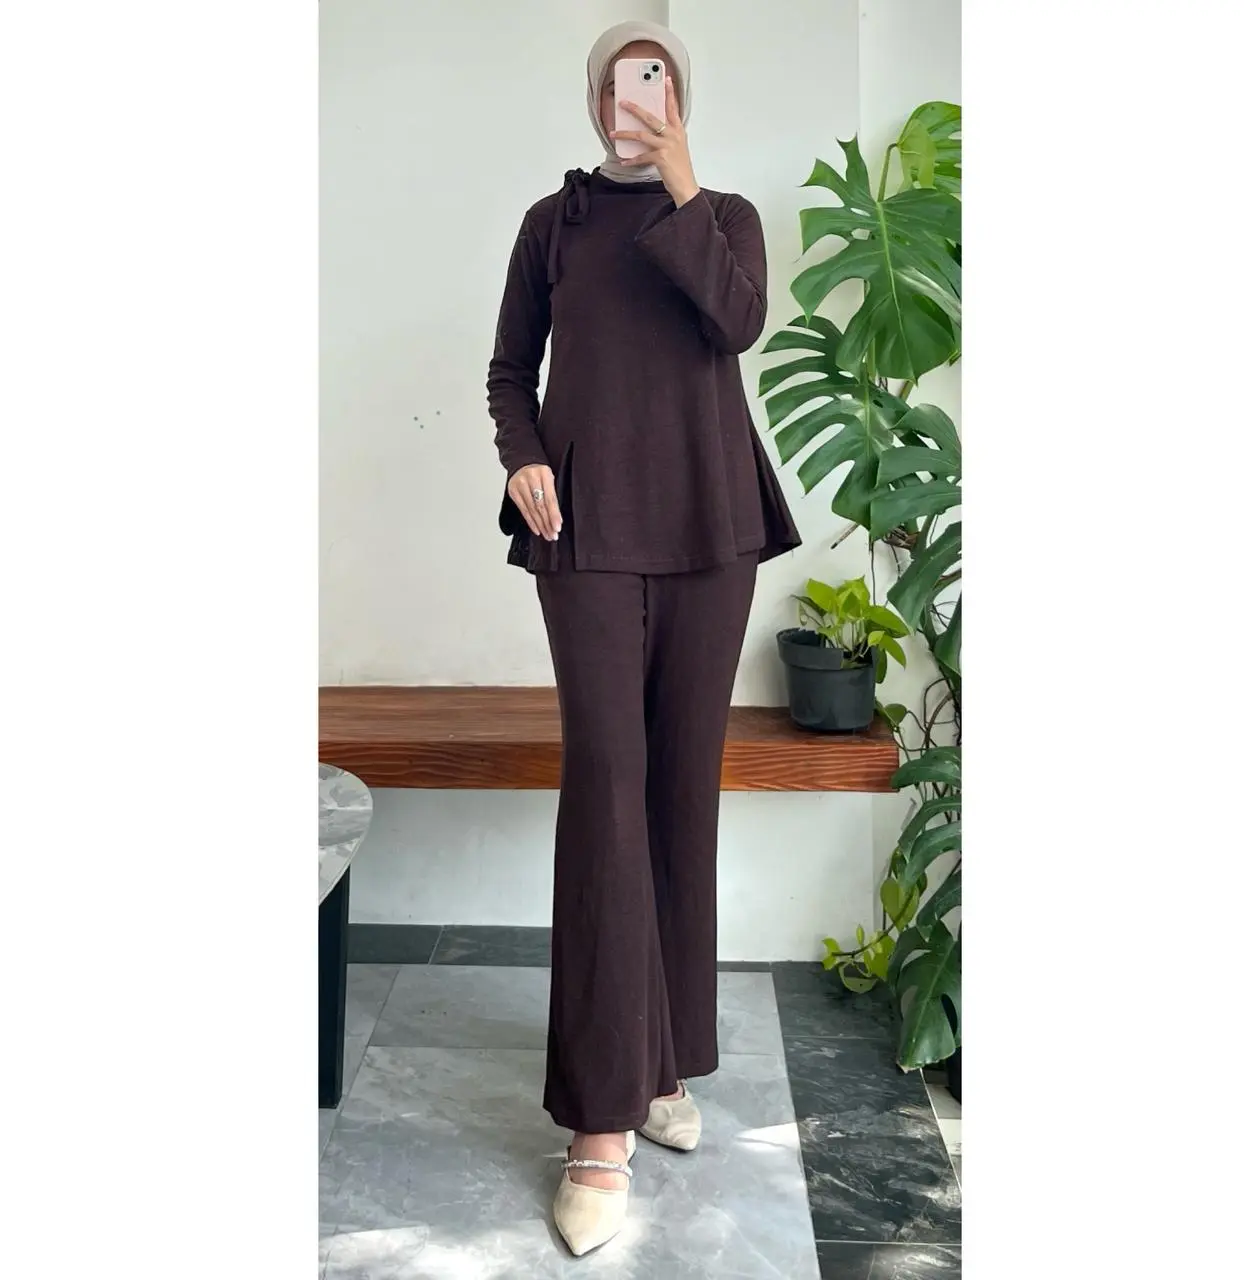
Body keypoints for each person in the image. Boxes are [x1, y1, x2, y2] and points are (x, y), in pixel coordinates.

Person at [486, 18, 800, 1256]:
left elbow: (735, 324)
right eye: (617, 85)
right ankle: (598, 1120)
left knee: (678, 795)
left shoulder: (723, 217)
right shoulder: (549, 225)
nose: (634, 101)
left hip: (713, 531)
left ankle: (660, 1059)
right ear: (590, 101)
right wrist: (520, 457)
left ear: (680, 100)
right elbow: (509, 371)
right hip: (586, 531)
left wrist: (679, 182)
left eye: (656, 84)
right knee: (608, 794)